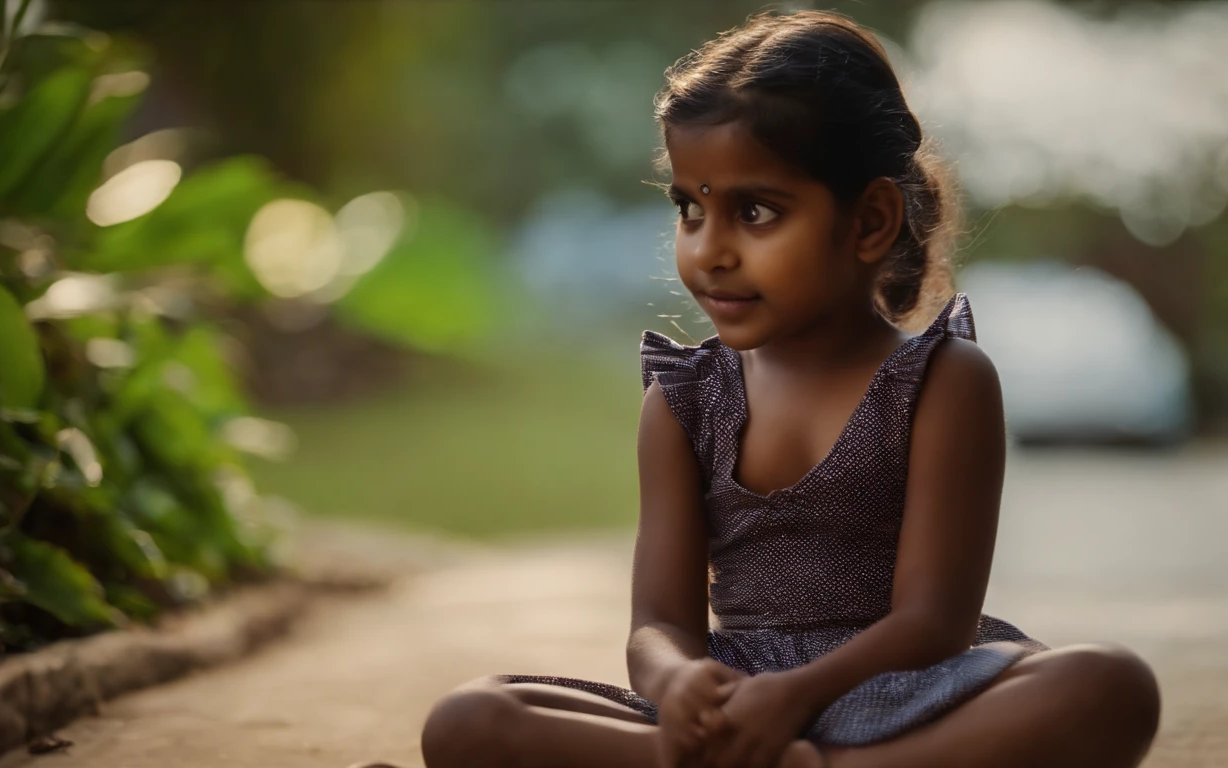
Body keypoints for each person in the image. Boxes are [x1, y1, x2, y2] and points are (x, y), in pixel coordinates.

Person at [356, 9, 1161, 768]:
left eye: (756, 211)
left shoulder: (941, 382)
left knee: (1107, 686)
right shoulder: (683, 398)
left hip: (911, 693)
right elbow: (660, 625)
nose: (711, 250)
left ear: (871, 222)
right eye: (690, 208)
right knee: (470, 718)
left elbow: (935, 621)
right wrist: (678, 686)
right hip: (738, 696)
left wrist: (798, 697)